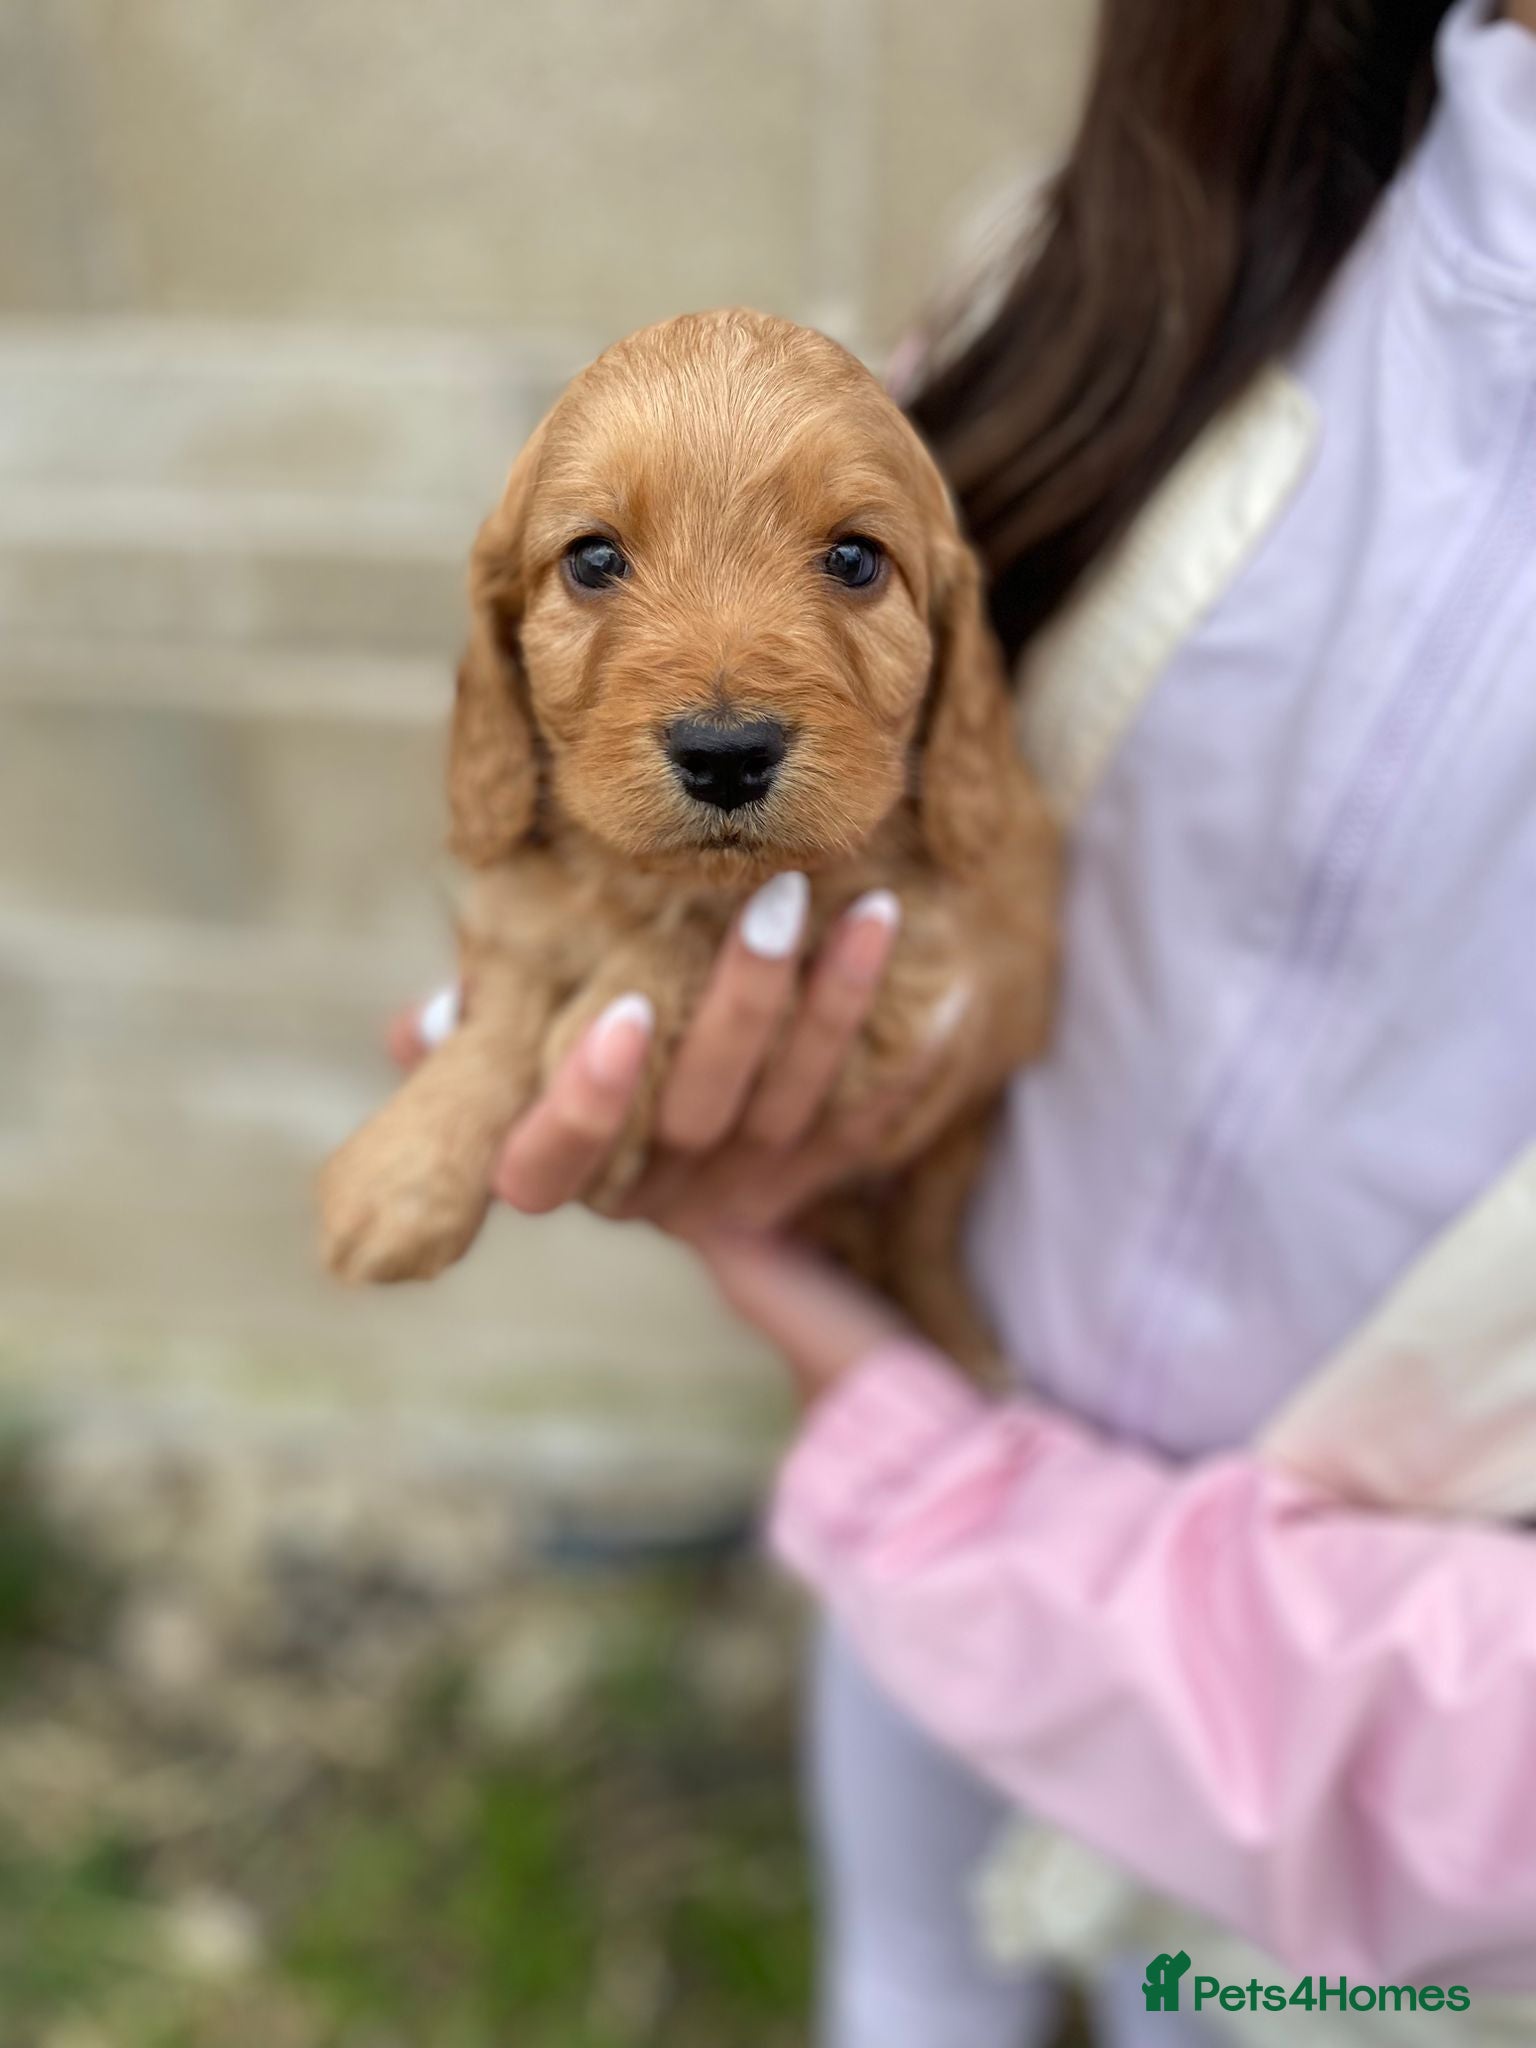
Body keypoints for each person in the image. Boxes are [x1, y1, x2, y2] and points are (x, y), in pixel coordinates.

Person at [403, 0, 1536, 2038]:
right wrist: (696, 1055)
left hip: (1372, 1866)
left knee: (1217, 2008)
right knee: (913, 1970)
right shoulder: (1118, 262)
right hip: (934, 1456)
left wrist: (961, 1500)